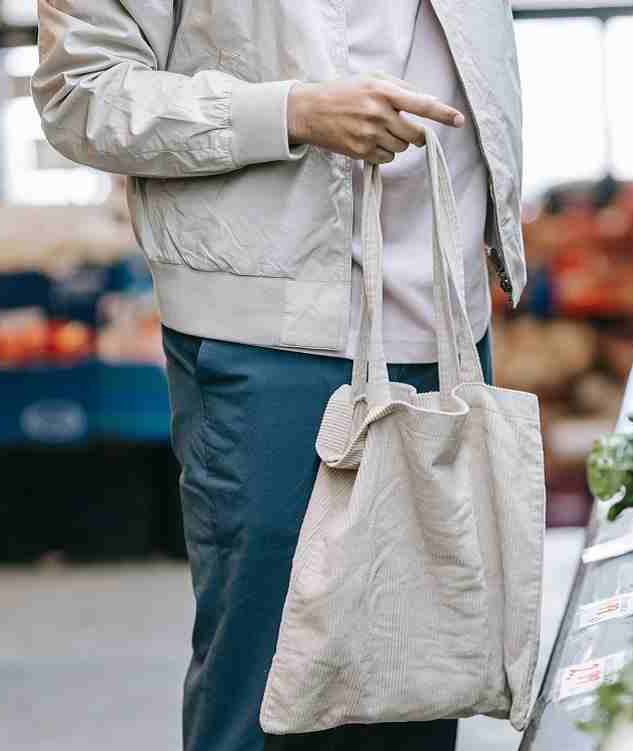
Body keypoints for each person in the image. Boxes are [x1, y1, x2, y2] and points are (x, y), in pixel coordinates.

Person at [32, 2, 525, 750]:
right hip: (271, 334)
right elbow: (81, 91)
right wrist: (289, 112)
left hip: (445, 322)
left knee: (421, 680)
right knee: (265, 694)